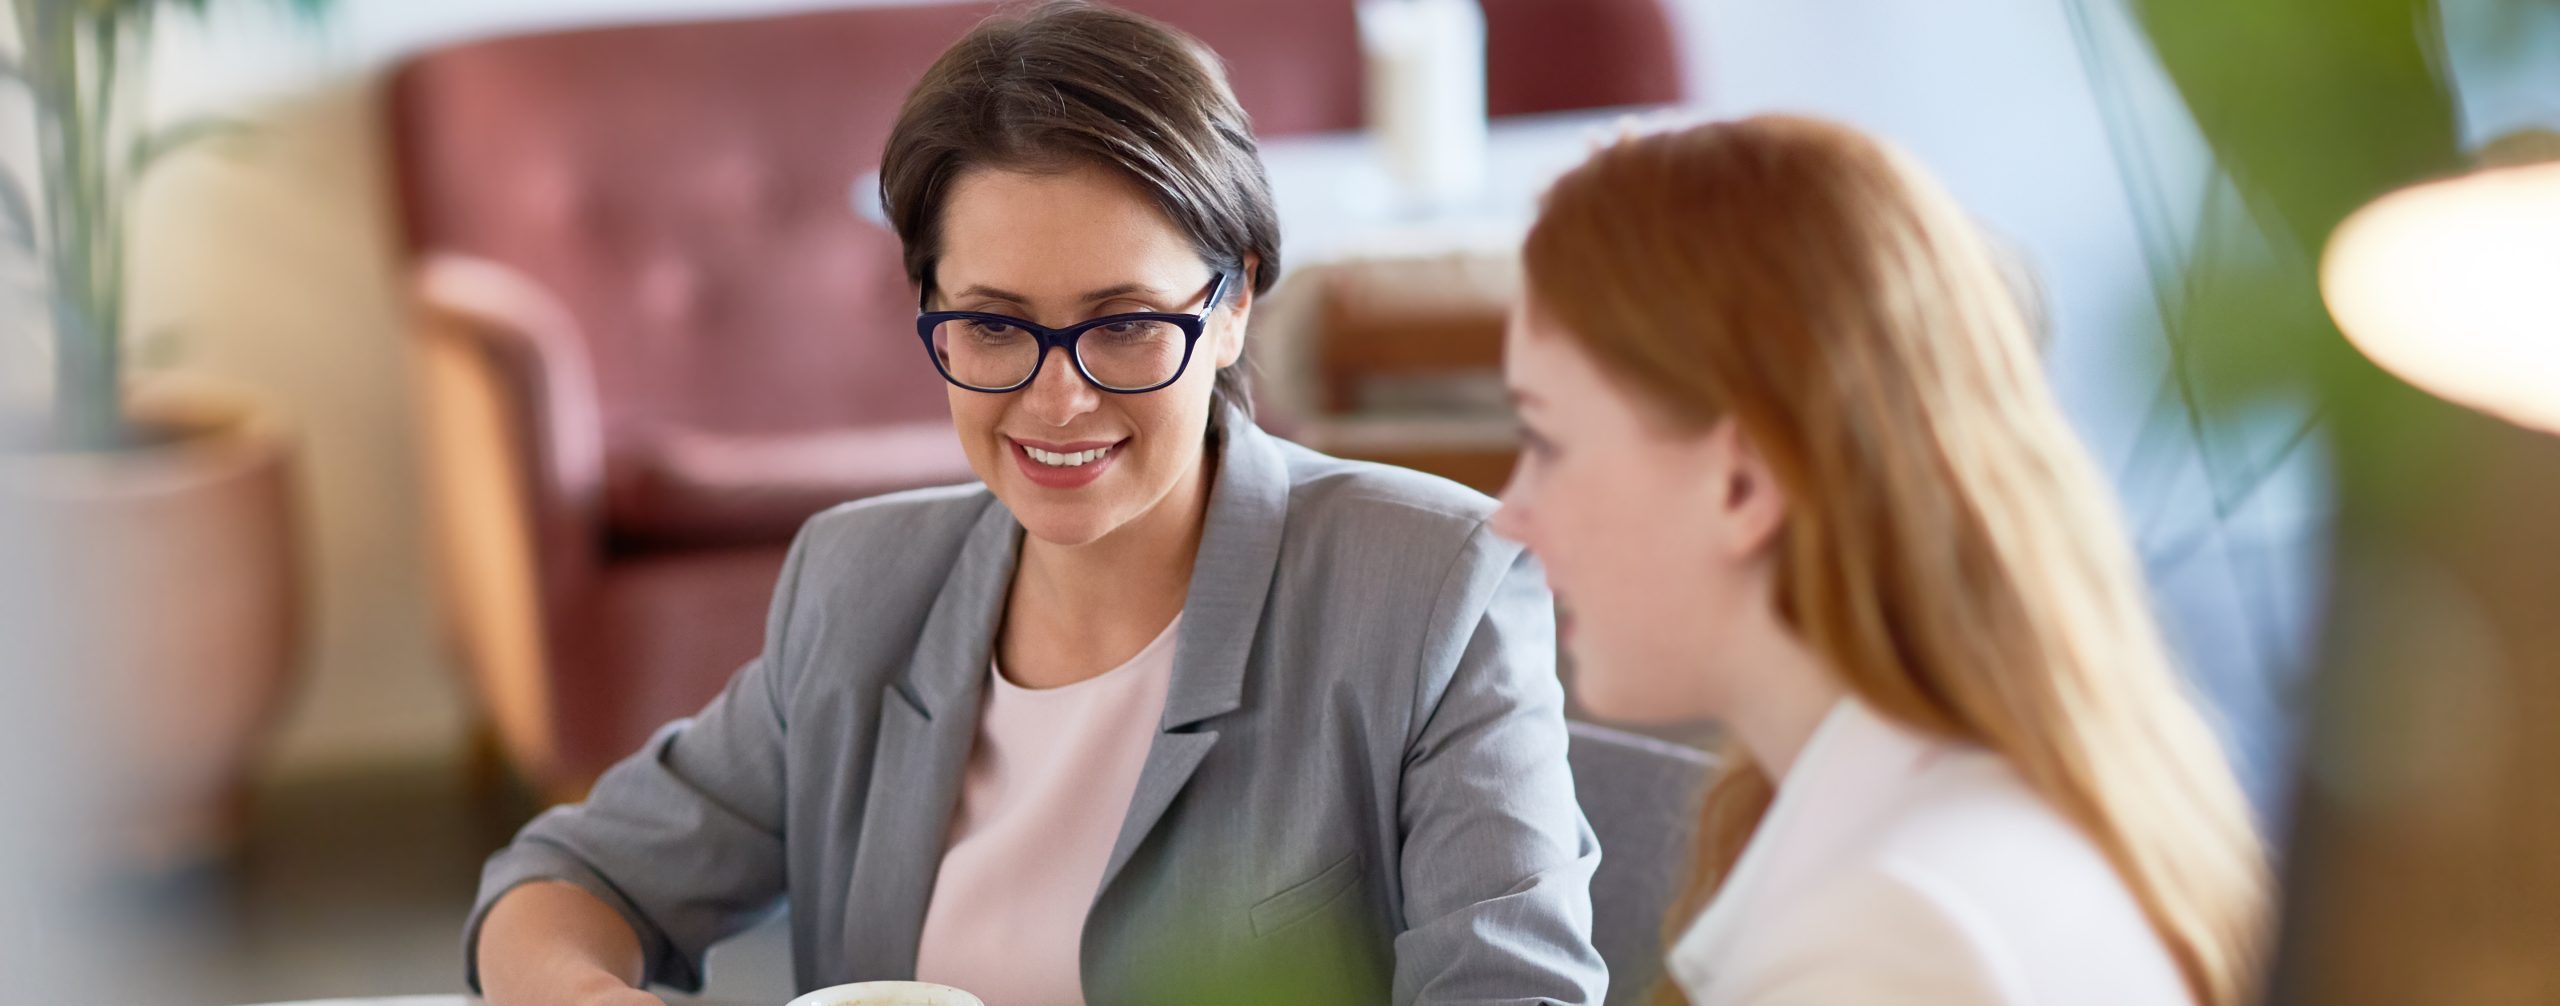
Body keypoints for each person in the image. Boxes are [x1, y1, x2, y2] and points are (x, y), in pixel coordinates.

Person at [464, 5, 1605, 1005]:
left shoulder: (1432, 590)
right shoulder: (859, 586)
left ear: (1235, 301)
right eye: (994, 325)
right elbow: (561, 881)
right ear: (930, 308)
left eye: (1123, 323)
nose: (1057, 399)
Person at [1489, 116, 2270, 1006]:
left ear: (1741, 484)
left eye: (1544, 439)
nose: (1514, 516)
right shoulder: (2011, 808)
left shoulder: (1888, 946)